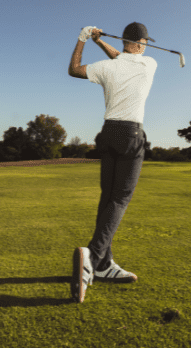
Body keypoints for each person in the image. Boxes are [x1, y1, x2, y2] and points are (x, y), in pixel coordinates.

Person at [67, 22, 157, 303]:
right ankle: (92, 257)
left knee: (108, 199)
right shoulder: (149, 64)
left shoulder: (107, 67)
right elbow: (124, 57)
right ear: (141, 43)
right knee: (120, 199)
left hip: (108, 133)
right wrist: (100, 42)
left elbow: (74, 69)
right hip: (131, 134)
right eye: (145, 42)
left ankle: (104, 265)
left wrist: (85, 40)